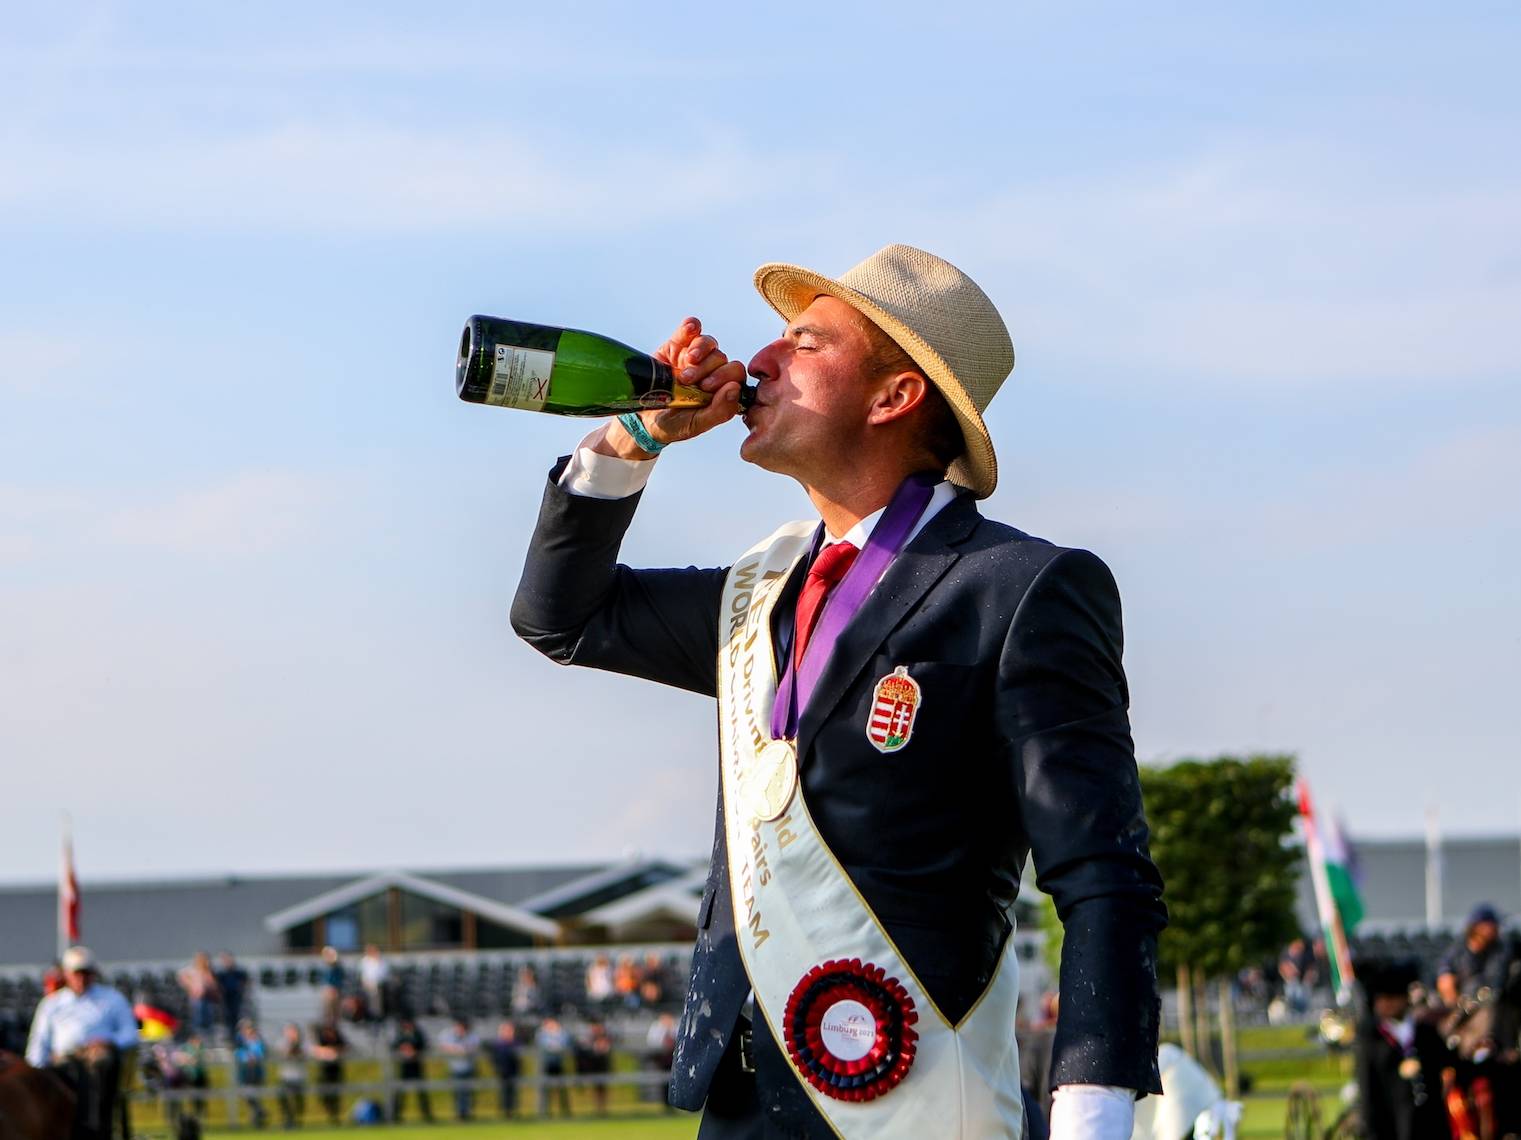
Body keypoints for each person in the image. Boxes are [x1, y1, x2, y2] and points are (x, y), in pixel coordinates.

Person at [509, 243, 1167, 1138]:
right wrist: (637, 435)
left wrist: (1091, 1116)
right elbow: (561, 616)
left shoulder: (1019, 587)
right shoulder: (758, 590)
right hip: (740, 1101)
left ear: (894, 396)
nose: (760, 360)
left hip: (913, 1095)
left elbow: (1102, 875)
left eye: (804, 342)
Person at [25, 945, 139, 1140]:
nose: (82, 978)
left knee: (100, 1062)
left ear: (93, 974)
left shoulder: (112, 999)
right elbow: (38, 1042)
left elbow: (130, 1033)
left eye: (86, 973)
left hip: (98, 1056)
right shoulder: (52, 1004)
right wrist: (34, 1071)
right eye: (77, 973)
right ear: (67, 974)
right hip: (63, 1061)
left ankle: (97, 1125)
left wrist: (108, 1041)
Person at [1354, 960, 1453, 1139]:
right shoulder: (1372, 1040)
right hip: (1392, 1126)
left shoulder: (1425, 1032)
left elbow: (1447, 1064)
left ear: (1403, 999)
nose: (1385, 1005)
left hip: (1431, 1123)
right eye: (1381, 1000)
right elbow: (1368, 1091)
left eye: (1391, 999)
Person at [390, 1016, 434, 1123]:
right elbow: (393, 1046)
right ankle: (395, 1115)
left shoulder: (418, 1034)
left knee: (421, 1091)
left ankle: (427, 1115)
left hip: (416, 1066)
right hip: (404, 1067)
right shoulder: (400, 1034)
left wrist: (414, 1051)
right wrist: (403, 1049)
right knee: (400, 1092)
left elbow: (424, 1046)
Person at [436, 1015, 480, 1121]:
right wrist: (457, 1049)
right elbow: (443, 1046)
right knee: (457, 1093)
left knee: (467, 1093)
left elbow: (473, 1048)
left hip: (469, 1068)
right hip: (454, 1068)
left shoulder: (472, 1035)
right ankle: (459, 1114)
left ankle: (466, 1114)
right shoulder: (447, 1034)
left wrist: (463, 1049)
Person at [309, 1015, 347, 1125]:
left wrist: (332, 1051)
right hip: (324, 1072)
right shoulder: (321, 1038)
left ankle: (335, 1117)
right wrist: (328, 1052)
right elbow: (315, 1050)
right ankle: (331, 1115)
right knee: (324, 1095)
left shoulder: (338, 1037)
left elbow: (344, 1048)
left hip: (336, 1071)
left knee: (336, 1095)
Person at [233, 1018, 269, 1128]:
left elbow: (262, 1053)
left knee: (256, 1095)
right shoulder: (239, 1041)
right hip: (245, 1073)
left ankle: (257, 1121)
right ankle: (260, 1110)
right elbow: (237, 1054)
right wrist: (246, 1057)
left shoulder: (258, 1040)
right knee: (247, 1095)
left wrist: (254, 1057)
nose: (247, 1030)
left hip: (256, 1072)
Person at [177, 951, 220, 1038]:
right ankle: (197, 1033)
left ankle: (207, 1033)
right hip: (196, 997)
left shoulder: (209, 971)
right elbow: (181, 977)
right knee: (198, 1014)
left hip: (208, 997)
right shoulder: (191, 970)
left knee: (209, 1014)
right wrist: (190, 986)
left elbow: (213, 984)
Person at [535, 1016, 571, 1117]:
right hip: (546, 1064)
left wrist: (554, 1043)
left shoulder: (562, 1033)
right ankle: (546, 1111)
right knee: (546, 1089)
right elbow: (544, 1044)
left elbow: (564, 1043)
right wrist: (554, 1045)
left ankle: (565, 1111)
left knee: (562, 1088)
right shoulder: (542, 1034)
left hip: (559, 1063)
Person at [576, 1020, 614, 1116]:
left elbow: (607, 1048)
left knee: (602, 1088)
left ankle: (602, 1109)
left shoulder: (606, 1036)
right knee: (595, 1087)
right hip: (592, 1066)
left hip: (602, 1066)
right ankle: (597, 1109)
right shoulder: (588, 1038)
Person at [275, 1022, 307, 1130]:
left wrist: (297, 1044)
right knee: (283, 1098)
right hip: (285, 1077)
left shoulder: (303, 1043)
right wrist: (292, 1044)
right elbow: (285, 1053)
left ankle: (297, 1121)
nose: (292, 1033)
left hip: (299, 1077)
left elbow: (304, 1054)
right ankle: (288, 1120)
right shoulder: (281, 1042)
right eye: (289, 1031)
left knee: (298, 1101)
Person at [489, 1020, 522, 1119]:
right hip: (502, 1071)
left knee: (513, 1093)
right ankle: (503, 1112)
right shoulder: (498, 1044)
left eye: (510, 1030)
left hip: (513, 1070)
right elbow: (494, 1058)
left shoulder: (516, 1043)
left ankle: (512, 1112)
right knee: (503, 1093)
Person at [216, 953, 250, 1040]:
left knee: (238, 1018)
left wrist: (241, 988)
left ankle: (238, 1036)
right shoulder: (221, 974)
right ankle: (230, 1036)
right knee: (227, 1018)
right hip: (226, 1000)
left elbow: (245, 982)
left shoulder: (239, 972)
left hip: (237, 999)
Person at [358, 944, 390, 1023]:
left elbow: (384, 975)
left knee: (375, 993)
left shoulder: (382, 962)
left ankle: (376, 1014)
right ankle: (367, 1014)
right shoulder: (364, 961)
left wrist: (375, 982)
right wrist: (366, 982)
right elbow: (362, 974)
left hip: (378, 984)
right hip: (366, 984)